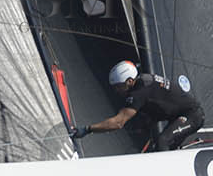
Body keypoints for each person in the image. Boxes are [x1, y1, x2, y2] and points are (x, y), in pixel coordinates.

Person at [71, 61, 205, 152]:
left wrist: (88, 129)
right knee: (158, 148)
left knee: (162, 142)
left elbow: (118, 123)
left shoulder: (139, 93)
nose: (116, 90)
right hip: (178, 115)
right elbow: (159, 105)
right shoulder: (142, 81)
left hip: (192, 115)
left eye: (118, 86)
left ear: (129, 81)